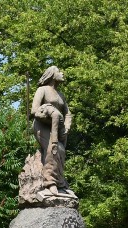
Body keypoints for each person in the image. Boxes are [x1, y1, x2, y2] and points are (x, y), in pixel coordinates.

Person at [31, 66, 73, 197]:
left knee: (60, 149)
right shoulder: (42, 90)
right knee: (51, 148)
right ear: (51, 74)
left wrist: (66, 127)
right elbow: (34, 111)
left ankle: (60, 182)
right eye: (59, 71)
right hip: (42, 126)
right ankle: (50, 182)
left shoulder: (61, 95)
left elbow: (68, 113)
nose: (62, 73)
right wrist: (49, 118)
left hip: (58, 128)